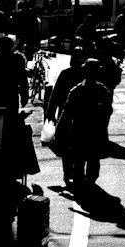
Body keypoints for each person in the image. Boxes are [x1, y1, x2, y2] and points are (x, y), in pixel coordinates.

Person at [55, 60, 113, 189]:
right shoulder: (102, 90)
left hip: (79, 130)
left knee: (79, 160)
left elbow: (66, 113)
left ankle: (81, 185)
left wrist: (59, 130)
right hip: (96, 131)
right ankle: (89, 184)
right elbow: (108, 111)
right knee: (93, 159)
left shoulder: (77, 90)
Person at [45, 49, 86, 185]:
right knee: (79, 144)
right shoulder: (85, 74)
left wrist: (50, 111)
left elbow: (55, 94)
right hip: (81, 116)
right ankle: (78, 172)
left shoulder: (66, 73)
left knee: (66, 144)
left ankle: (68, 172)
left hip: (66, 113)